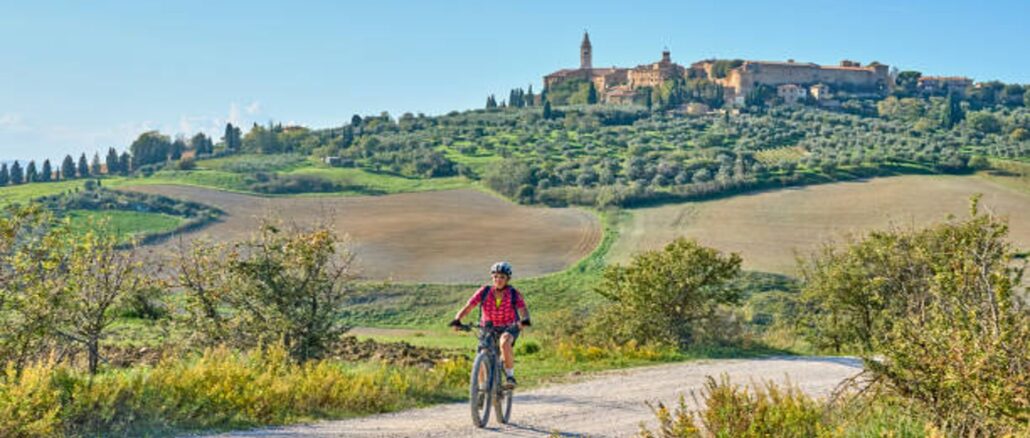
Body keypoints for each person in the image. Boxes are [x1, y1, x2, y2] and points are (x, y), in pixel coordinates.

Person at [450, 261, 531, 388]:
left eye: (502, 277)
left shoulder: (513, 293)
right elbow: (469, 306)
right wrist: (457, 319)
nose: (498, 279)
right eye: (495, 276)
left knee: (504, 342)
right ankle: (481, 389)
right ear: (492, 277)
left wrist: (524, 320)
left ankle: (510, 376)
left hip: (509, 326)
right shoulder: (484, 291)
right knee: (482, 353)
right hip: (487, 327)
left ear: (507, 279)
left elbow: (522, 309)